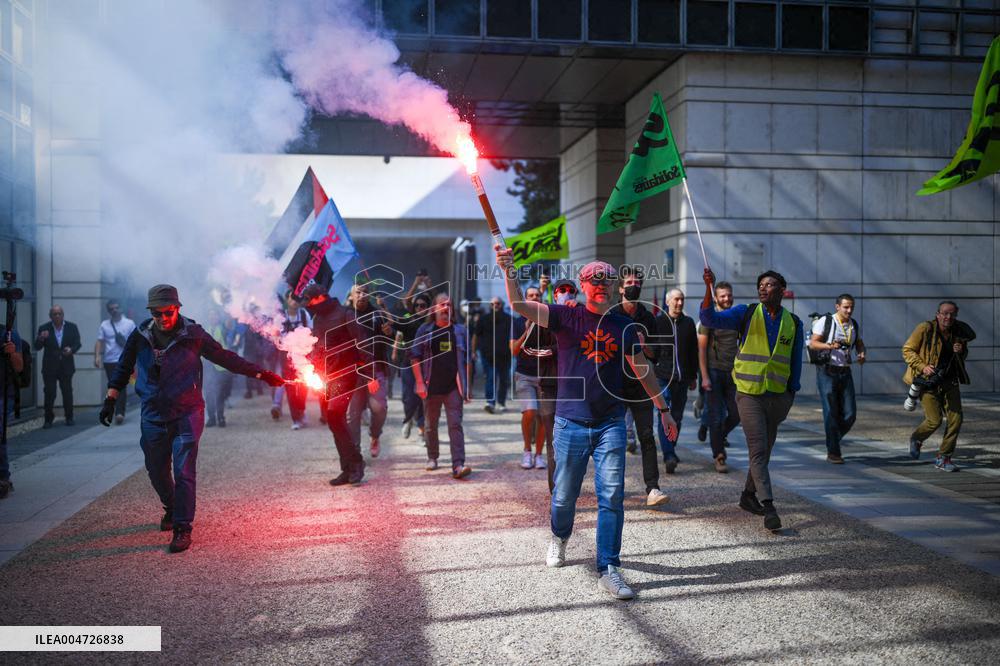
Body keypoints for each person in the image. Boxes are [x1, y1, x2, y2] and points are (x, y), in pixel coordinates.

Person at [498, 249, 678, 601]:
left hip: (611, 421)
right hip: (569, 423)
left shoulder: (624, 326)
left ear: (614, 288)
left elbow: (642, 369)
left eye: (607, 280)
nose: (601, 285)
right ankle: (559, 536)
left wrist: (664, 409)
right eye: (594, 280)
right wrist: (509, 271)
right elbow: (519, 305)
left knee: (611, 495)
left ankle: (608, 567)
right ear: (582, 285)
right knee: (564, 496)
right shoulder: (565, 316)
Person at [100, 285, 284, 553]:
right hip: (152, 411)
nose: (163, 318)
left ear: (177, 309)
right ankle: (172, 507)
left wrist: (262, 374)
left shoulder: (193, 334)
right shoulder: (139, 335)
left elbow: (225, 358)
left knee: (184, 470)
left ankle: (183, 527)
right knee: (156, 468)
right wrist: (110, 399)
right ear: (150, 312)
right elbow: (124, 366)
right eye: (157, 313)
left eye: (168, 312)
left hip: (188, 410)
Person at [700, 268, 804, 532]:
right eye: (760, 284)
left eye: (769, 285)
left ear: (782, 290)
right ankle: (769, 507)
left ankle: (747, 496)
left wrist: (791, 393)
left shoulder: (794, 322)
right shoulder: (745, 313)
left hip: (778, 397)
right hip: (748, 394)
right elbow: (707, 317)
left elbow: (795, 361)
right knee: (758, 449)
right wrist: (708, 288)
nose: (763, 288)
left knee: (765, 451)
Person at [609, 267, 669, 506]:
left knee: (646, 436)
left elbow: (655, 355)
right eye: (629, 282)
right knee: (614, 439)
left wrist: (643, 346)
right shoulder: (611, 315)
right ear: (621, 288)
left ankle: (653, 488)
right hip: (614, 386)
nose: (633, 285)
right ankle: (614, 486)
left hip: (641, 386)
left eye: (637, 282)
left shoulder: (648, 318)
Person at [302, 283, 368, 487]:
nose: (308, 305)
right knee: (333, 420)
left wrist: (368, 374)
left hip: (347, 374)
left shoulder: (346, 314)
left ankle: (356, 464)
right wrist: (311, 365)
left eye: (310, 301)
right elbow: (317, 346)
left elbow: (362, 342)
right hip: (326, 376)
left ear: (321, 297)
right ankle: (347, 469)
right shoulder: (317, 318)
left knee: (334, 414)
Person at [901, 301, 976, 472]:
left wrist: (961, 350)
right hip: (928, 382)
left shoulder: (958, 332)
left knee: (956, 420)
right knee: (934, 421)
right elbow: (907, 350)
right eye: (944, 313)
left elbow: (961, 357)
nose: (948, 317)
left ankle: (944, 457)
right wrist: (923, 366)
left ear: (956, 315)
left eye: (952, 314)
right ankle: (917, 438)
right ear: (937, 314)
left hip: (950, 381)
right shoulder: (925, 329)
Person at [411, 292, 472, 479]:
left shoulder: (460, 330)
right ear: (434, 309)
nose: (446, 307)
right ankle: (432, 457)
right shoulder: (424, 330)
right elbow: (415, 356)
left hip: (453, 386)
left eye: (448, 304)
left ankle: (458, 464)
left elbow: (468, 360)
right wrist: (420, 383)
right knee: (430, 426)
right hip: (430, 386)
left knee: (455, 424)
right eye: (442, 305)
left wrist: (467, 387)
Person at [809, 294, 866, 464]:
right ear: (837, 307)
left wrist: (862, 353)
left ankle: (832, 440)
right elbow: (813, 343)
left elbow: (859, 342)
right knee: (831, 412)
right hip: (827, 371)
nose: (849, 310)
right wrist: (829, 346)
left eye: (851, 307)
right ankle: (833, 452)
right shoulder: (827, 322)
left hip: (845, 371)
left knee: (850, 414)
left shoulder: (853, 324)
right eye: (846, 307)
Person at [511, 286, 557, 479]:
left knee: (544, 418)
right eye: (530, 296)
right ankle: (527, 450)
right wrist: (528, 330)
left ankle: (539, 455)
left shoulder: (548, 320)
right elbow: (514, 350)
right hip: (524, 374)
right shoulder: (517, 321)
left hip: (544, 376)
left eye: (537, 295)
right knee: (530, 412)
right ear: (526, 299)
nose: (534, 298)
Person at [653, 289, 699, 474]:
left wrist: (694, 376)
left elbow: (693, 351)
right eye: (676, 299)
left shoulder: (688, 323)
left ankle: (670, 447)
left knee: (677, 417)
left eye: (682, 299)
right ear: (667, 301)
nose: (679, 303)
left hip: (682, 378)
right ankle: (669, 455)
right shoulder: (658, 321)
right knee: (664, 414)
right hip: (662, 376)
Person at [697, 281, 740, 473]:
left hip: (734, 373)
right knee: (715, 416)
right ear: (716, 298)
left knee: (737, 413)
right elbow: (702, 349)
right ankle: (719, 456)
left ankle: (717, 436)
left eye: (729, 295)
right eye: (723, 296)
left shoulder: (737, 317)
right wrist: (704, 376)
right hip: (714, 372)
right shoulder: (710, 319)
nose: (727, 298)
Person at [347, 283, 391, 458]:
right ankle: (355, 451)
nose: (362, 295)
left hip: (376, 368)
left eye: (365, 292)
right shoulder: (345, 315)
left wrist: (389, 331)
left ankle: (375, 435)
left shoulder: (377, 314)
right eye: (358, 292)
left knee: (379, 408)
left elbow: (391, 335)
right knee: (353, 414)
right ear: (351, 296)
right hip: (353, 372)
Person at [35, 305, 81, 428]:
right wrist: (40, 338)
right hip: (50, 366)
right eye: (54, 314)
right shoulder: (44, 328)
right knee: (50, 393)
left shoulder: (71, 327)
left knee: (67, 392)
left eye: (59, 313)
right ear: (50, 316)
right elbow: (37, 347)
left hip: (66, 365)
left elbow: (77, 343)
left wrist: (71, 349)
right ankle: (48, 419)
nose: (57, 316)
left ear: (63, 315)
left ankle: (69, 417)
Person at [94, 299, 137, 425]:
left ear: (120, 308)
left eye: (116, 308)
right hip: (109, 360)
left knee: (121, 385)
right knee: (113, 385)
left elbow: (136, 340)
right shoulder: (104, 325)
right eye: (111, 309)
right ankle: (116, 410)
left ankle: (120, 412)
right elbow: (99, 341)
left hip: (124, 359)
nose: (114, 310)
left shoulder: (129, 323)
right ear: (108, 311)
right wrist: (97, 356)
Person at [395, 293, 430, 439]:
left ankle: (422, 428)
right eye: (417, 305)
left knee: (423, 397)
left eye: (423, 305)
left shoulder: (431, 322)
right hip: (408, 363)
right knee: (408, 396)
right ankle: (408, 419)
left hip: (426, 364)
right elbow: (398, 334)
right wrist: (395, 350)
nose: (419, 308)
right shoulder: (408, 319)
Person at [473, 296, 512, 413]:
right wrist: (473, 351)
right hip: (488, 355)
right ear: (490, 305)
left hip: (505, 355)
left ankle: (501, 402)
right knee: (490, 378)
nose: (495, 306)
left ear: (502, 305)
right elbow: (475, 335)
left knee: (504, 380)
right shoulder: (483, 319)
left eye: (498, 304)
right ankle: (490, 402)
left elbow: (514, 336)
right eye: (493, 304)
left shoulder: (508, 319)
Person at [0, 324, 24, 499]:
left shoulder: (8, 334)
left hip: (2, 391)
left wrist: (12, 352)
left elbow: (19, 367)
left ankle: (3, 476)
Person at [202, 309, 233, 428]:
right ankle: (211, 418)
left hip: (220, 367)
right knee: (209, 393)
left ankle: (221, 417)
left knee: (220, 393)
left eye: (215, 315)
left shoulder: (223, 330)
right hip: (208, 366)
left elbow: (229, 341)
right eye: (211, 316)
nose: (213, 318)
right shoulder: (205, 331)